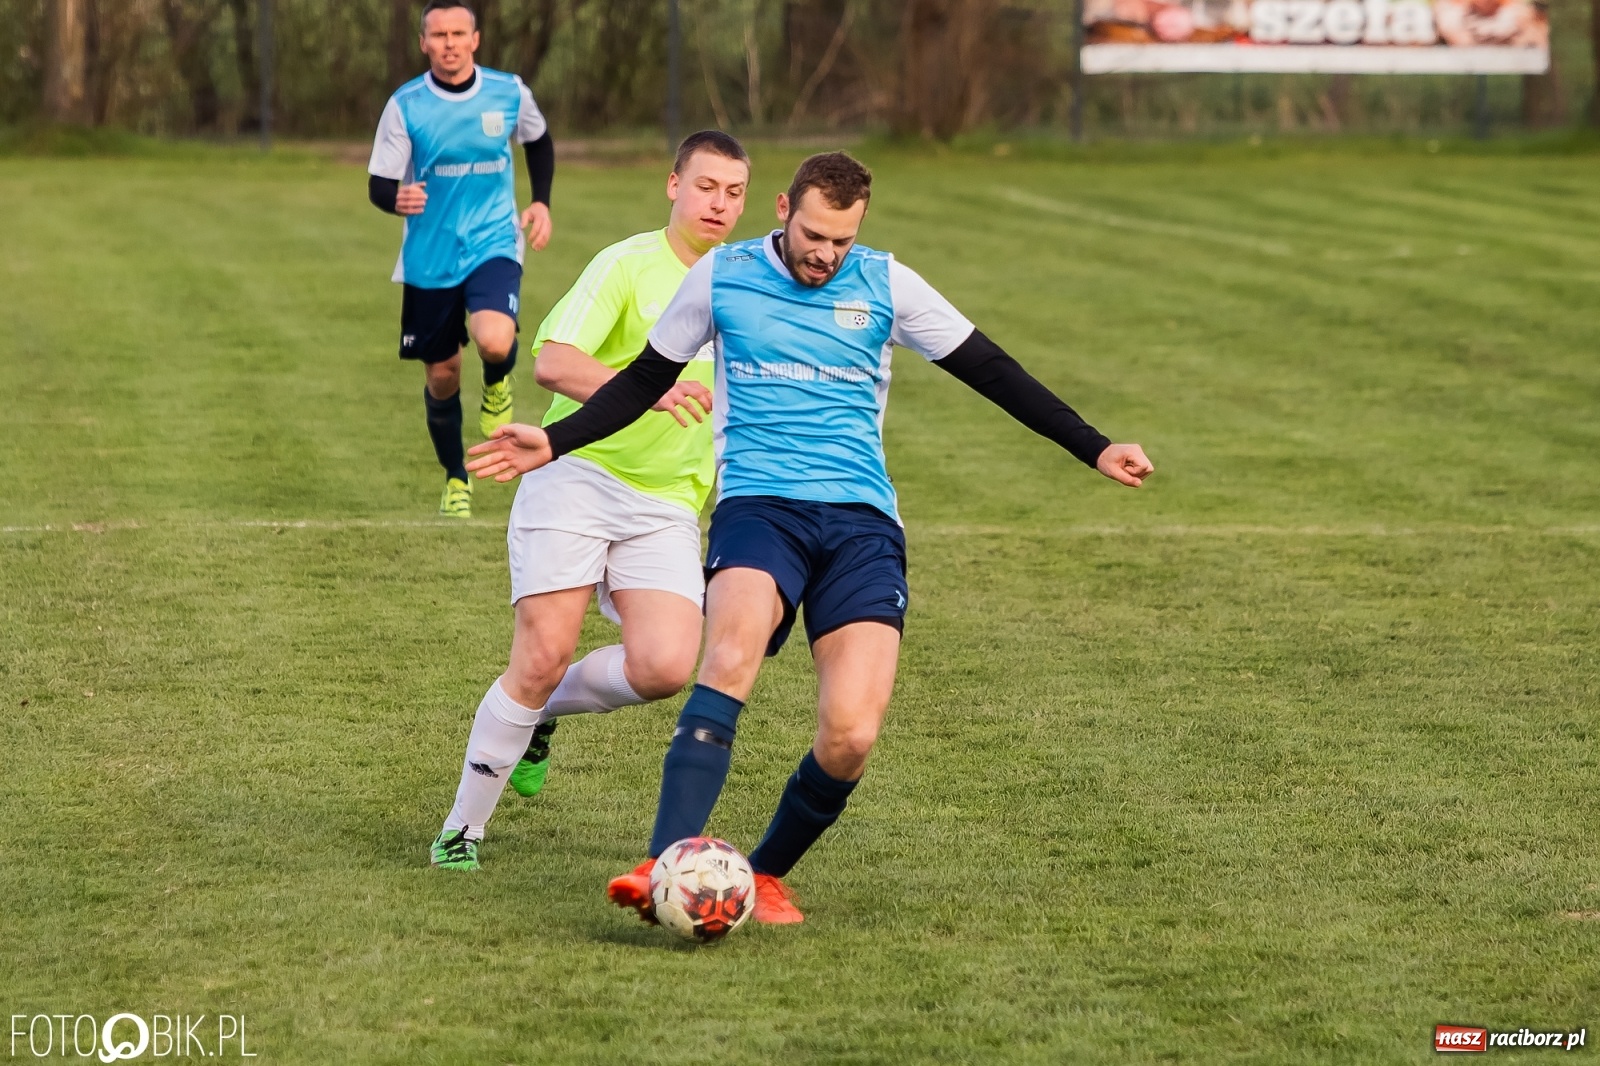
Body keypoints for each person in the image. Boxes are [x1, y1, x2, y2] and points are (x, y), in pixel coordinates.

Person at [465, 152, 1154, 921]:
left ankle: (758, 874)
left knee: (852, 734)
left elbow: (991, 368)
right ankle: (665, 864)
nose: (826, 254)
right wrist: (555, 444)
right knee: (727, 657)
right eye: (815, 234)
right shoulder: (723, 276)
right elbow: (644, 380)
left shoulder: (887, 284)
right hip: (760, 509)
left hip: (862, 525)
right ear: (786, 209)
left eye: (843, 240)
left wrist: (1094, 445)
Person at [428, 131, 752, 871]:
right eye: (705, 187)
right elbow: (553, 361)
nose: (718, 204)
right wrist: (650, 389)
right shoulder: (629, 264)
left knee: (666, 666)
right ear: (674, 185)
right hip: (576, 472)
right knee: (542, 654)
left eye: (733, 193)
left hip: (668, 499)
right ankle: (462, 831)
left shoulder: (745, 282)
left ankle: (539, 716)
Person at [367, 0, 555, 518]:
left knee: (496, 339)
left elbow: (538, 142)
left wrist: (540, 200)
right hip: (430, 256)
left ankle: (498, 382)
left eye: (458, 33)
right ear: (424, 43)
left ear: (475, 39)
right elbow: (380, 182)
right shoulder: (406, 105)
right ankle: (456, 477)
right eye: (438, 35)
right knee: (442, 374)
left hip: (494, 241)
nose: (448, 43)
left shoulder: (508, 92)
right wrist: (394, 199)